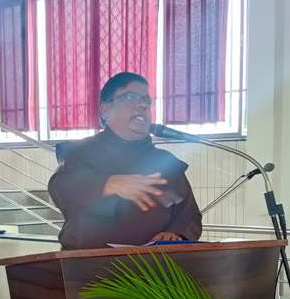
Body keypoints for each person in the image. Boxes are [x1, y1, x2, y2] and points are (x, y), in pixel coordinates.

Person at [48, 72, 202, 249]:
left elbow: (189, 215)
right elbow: (61, 189)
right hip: (90, 263)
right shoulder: (80, 152)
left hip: (156, 263)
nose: (143, 105)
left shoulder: (165, 162)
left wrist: (176, 234)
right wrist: (107, 184)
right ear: (105, 110)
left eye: (147, 101)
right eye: (131, 97)